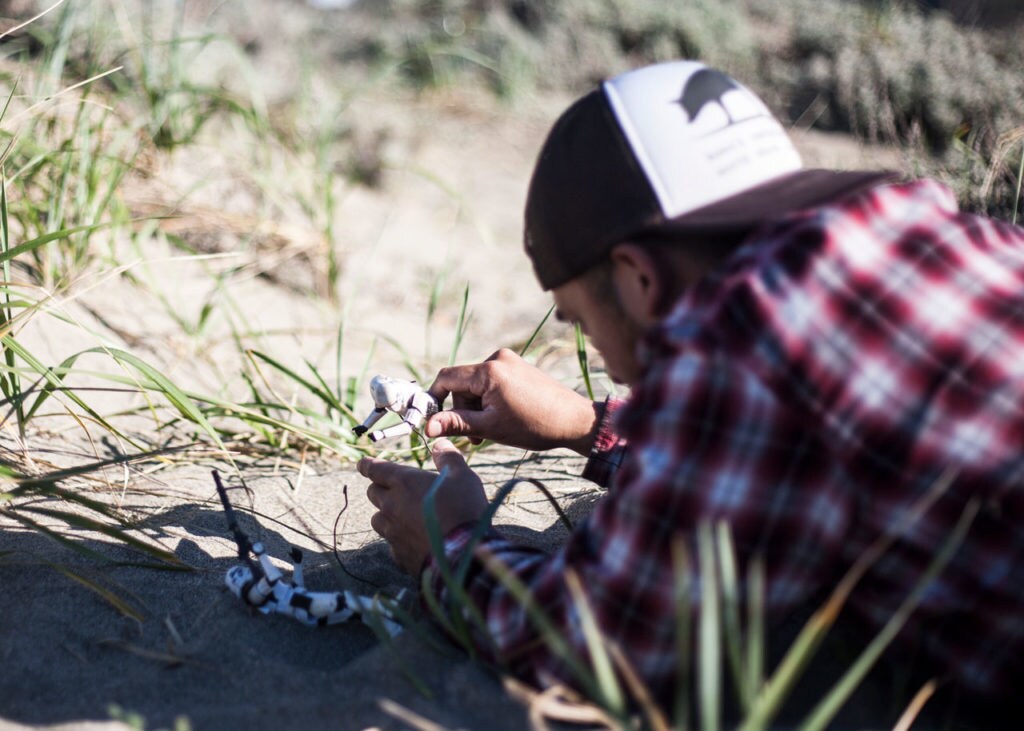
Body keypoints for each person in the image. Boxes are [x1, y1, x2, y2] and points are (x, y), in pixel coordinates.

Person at [357, 60, 1024, 726]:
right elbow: (788, 458)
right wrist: (590, 425)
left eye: (582, 320)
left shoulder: (742, 333)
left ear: (639, 278)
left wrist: (451, 546)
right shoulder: (928, 236)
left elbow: (593, 644)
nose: (600, 354)